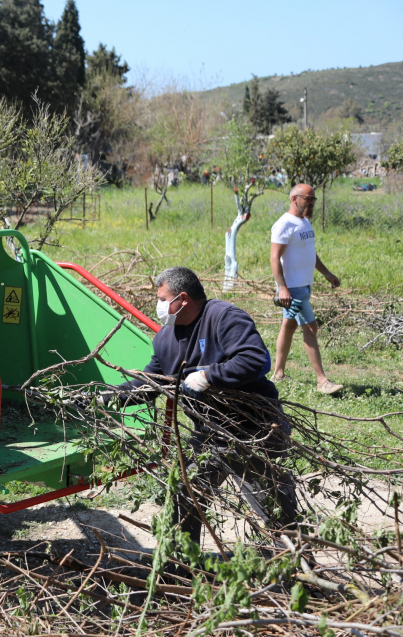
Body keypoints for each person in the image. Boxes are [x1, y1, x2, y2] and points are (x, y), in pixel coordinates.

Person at [114, 266, 297, 547]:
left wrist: (208, 376)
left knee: (274, 508)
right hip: (208, 435)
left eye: (163, 299)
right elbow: (151, 384)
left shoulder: (223, 317)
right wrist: (108, 397)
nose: (158, 305)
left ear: (183, 299)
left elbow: (254, 359)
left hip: (253, 430)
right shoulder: (166, 338)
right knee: (184, 497)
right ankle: (182, 568)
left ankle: (296, 567)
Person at [270, 184, 343, 395]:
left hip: (305, 284)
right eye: (307, 199)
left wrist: (326, 273)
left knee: (289, 325)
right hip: (293, 288)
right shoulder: (284, 224)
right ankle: (322, 381)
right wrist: (282, 287)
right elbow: (275, 257)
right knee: (310, 327)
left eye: (313, 199)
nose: (311, 203)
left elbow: (310, 253)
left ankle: (278, 373)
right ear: (294, 199)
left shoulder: (305, 223)